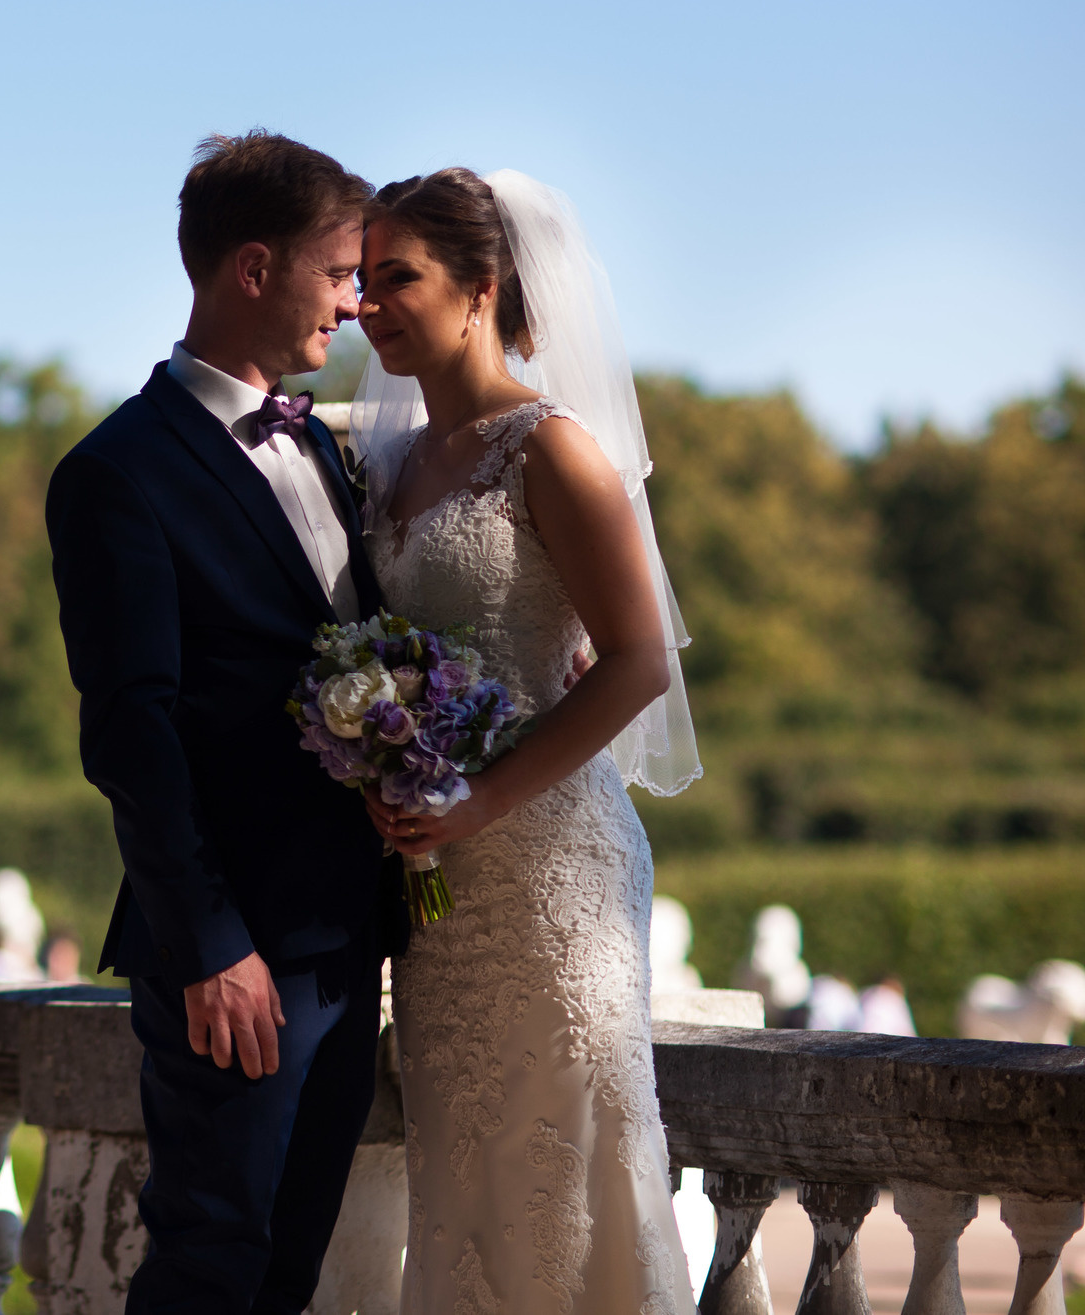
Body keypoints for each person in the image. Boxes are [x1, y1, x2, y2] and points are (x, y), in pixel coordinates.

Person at [46, 130, 398, 1313]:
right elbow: (130, 728)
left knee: (288, 1265)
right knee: (212, 1258)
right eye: (339, 273)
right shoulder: (117, 471)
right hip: (235, 950)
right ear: (253, 269)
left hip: (349, 934)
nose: (352, 307)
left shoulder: (329, 451)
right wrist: (207, 941)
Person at [351, 166, 702, 1313]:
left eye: (394, 277)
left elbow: (640, 663)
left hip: (554, 877)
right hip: (440, 894)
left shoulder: (551, 451)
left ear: (482, 286)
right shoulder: (394, 471)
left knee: (567, 1188)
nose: (366, 306)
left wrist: (482, 801)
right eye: (358, 281)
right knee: (468, 1198)